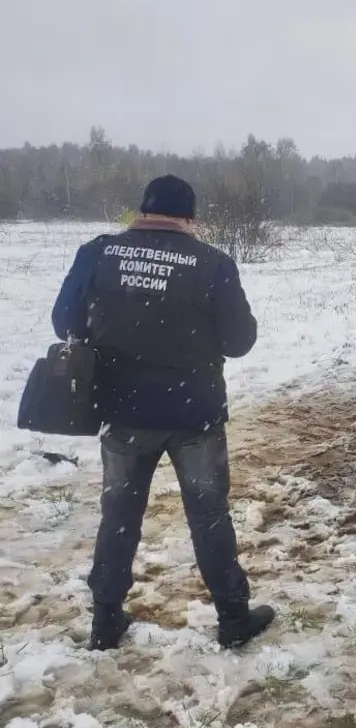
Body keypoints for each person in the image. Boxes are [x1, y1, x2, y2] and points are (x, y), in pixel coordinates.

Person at [51, 174, 274, 650]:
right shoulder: (212, 264)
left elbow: (64, 322)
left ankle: (105, 620)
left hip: (123, 410)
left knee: (119, 516)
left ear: (143, 211)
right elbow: (239, 342)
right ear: (189, 218)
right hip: (194, 414)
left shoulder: (97, 253)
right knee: (209, 516)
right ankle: (233, 617)